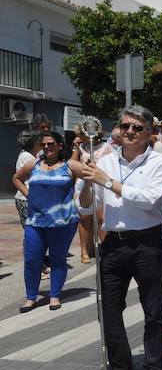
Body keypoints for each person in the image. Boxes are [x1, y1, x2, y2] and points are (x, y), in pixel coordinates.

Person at [79, 105, 162, 370]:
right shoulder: (104, 161)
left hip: (148, 242)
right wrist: (85, 180)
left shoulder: (160, 162)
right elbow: (86, 207)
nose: (129, 132)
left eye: (136, 128)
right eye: (124, 126)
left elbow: (147, 200)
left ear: (149, 133)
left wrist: (105, 181)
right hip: (114, 242)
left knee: (153, 310)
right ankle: (120, 369)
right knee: (107, 309)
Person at [12, 132, 87, 312]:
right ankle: (31, 298)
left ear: (60, 145)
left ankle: (54, 295)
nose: (46, 147)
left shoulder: (70, 165)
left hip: (63, 222)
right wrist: (29, 195)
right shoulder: (34, 164)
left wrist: (81, 196)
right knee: (31, 260)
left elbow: (91, 175)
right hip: (35, 221)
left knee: (58, 259)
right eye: (43, 144)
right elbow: (16, 178)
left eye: (51, 143)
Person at [72, 125, 115, 262]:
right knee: (85, 218)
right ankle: (85, 250)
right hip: (83, 183)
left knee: (101, 217)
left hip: (101, 183)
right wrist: (75, 148)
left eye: (81, 134)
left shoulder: (106, 147)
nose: (79, 137)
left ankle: (107, 248)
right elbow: (72, 164)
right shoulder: (81, 147)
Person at [14, 130, 41, 228]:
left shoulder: (33, 155)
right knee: (31, 230)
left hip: (33, 197)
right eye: (40, 142)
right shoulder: (26, 156)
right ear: (33, 144)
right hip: (26, 198)